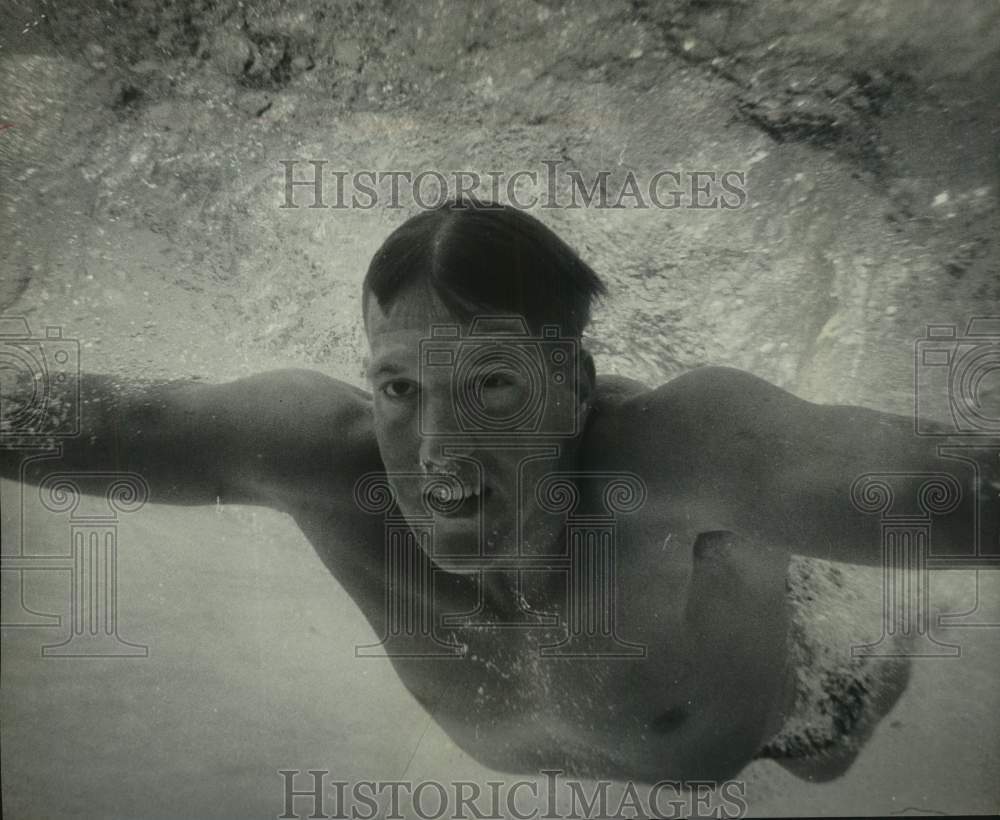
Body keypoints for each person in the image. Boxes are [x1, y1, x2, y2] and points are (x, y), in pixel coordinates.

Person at [0, 199, 988, 786]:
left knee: (827, 755)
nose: (440, 451)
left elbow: (923, 483)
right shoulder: (315, 459)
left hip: (807, 693)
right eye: (400, 389)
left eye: (491, 386)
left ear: (570, 388)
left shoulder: (676, 456)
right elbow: (76, 425)